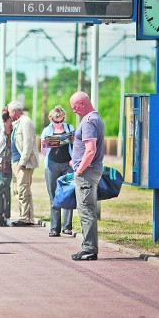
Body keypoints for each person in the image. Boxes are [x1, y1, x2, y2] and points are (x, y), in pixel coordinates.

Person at [69, 91, 105, 261]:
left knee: (86, 210)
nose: (74, 111)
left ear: (82, 104)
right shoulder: (96, 118)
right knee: (86, 209)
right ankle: (88, 247)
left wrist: (79, 169)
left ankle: (89, 249)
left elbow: (91, 150)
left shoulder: (89, 121)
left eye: (74, 107)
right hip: (90, 170)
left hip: (87, 173)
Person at [41, 105, 75, 237]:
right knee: (54, 196)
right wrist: (44, 144)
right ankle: (55, 228)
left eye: (61, 120)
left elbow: (76, 146)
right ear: (51, 119)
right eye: (56, 121)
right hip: (52, 165)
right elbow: (44, 152)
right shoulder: (46, 130)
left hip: (67, 164)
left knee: (68, 193)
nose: (59, 124)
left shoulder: (69, 128)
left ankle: (67, 226)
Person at [7, 100, 39, 227]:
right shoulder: (17, 123)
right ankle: (26, 216)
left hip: (23, 163)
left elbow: (28, 143)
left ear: (14, 111)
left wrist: (23, 161)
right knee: (18, 189)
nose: (9, 114)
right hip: (15, 161)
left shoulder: (26, 122)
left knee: (23, 189)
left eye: (9, 111)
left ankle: (25, 217)